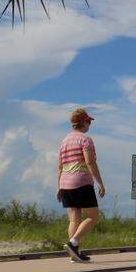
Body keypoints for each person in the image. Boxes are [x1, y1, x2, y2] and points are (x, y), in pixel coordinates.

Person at [56, 107, 105, 262]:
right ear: (84, 122)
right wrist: (100, 183)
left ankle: (74, 254)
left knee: (74, 220)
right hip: (81, 182)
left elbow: (60, 167)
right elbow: (90, 162)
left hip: (65, 183)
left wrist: (59, 187)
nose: (89, 125)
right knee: (93, 216)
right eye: (89, 121)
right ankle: (73, 243)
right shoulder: (85, 139)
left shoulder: (64, 141)